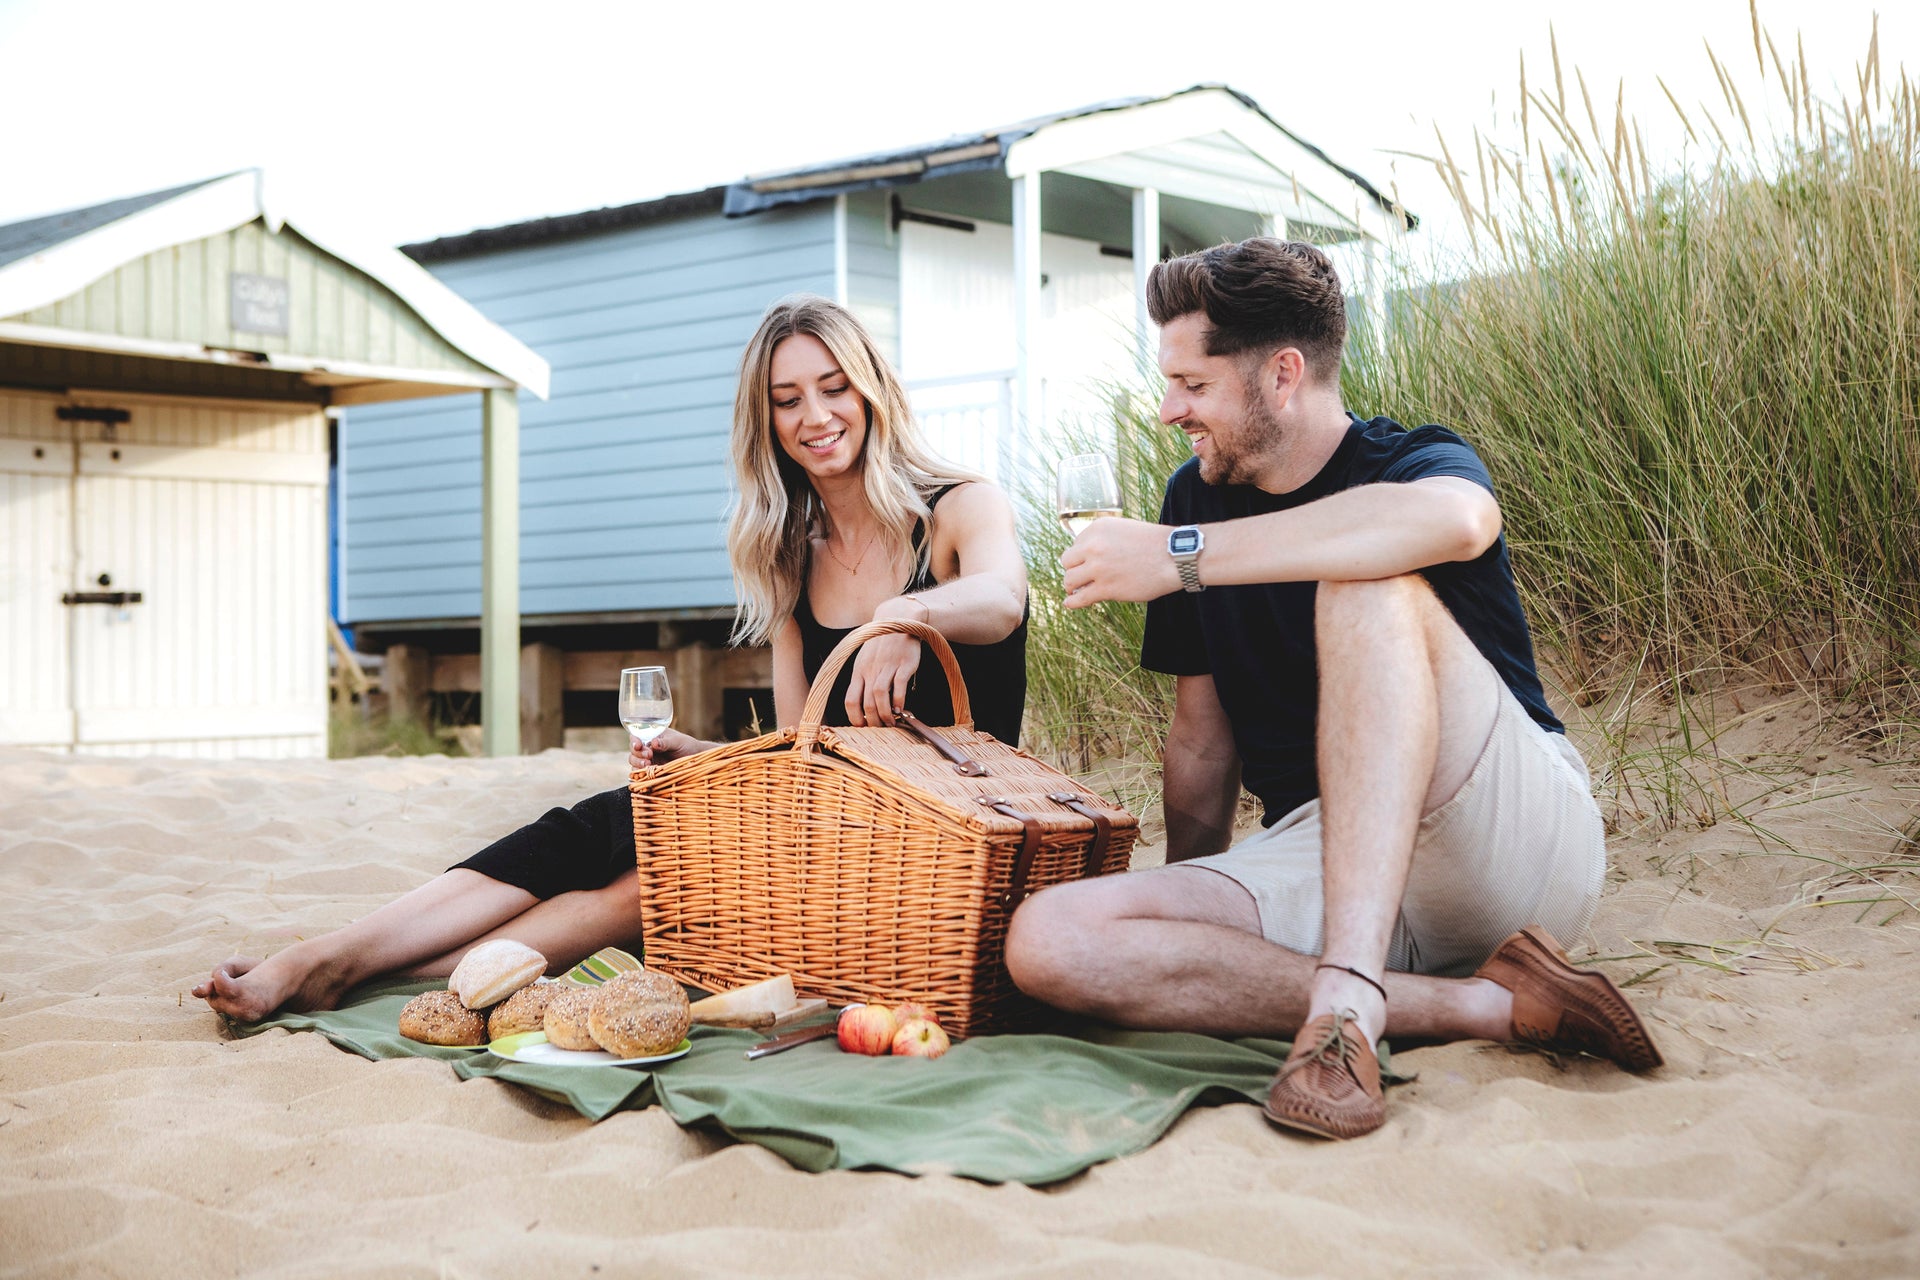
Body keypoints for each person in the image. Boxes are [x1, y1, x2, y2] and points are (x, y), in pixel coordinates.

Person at [196, 295, 1028, 1022]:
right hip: (823, 824)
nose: (815, 415)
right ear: (766, 421)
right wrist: (700, 759)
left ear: (871, 388)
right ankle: (338, 956)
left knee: (654, 884)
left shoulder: (958, 508)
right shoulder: (789, 554)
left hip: (935, 842)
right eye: (787, 400)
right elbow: (794, 751)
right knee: (614, 818)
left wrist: (903, 614)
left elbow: (1002, 600)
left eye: (834, 387)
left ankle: (351, 967)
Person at [1002, 238, 1660, 1141]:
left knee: (1364, 580)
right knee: (1051, 938)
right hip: (1330, 853)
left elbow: (1460, 519)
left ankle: (1345, 1011)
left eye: (1193, 385)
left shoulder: (1408, 460)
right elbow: (1201, 741)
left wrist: (1179, 559)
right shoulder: (1191, 500)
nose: (1168, 411)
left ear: (1281, 374)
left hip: (1498, 830)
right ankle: (1489, 1007)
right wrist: (1184, 910)